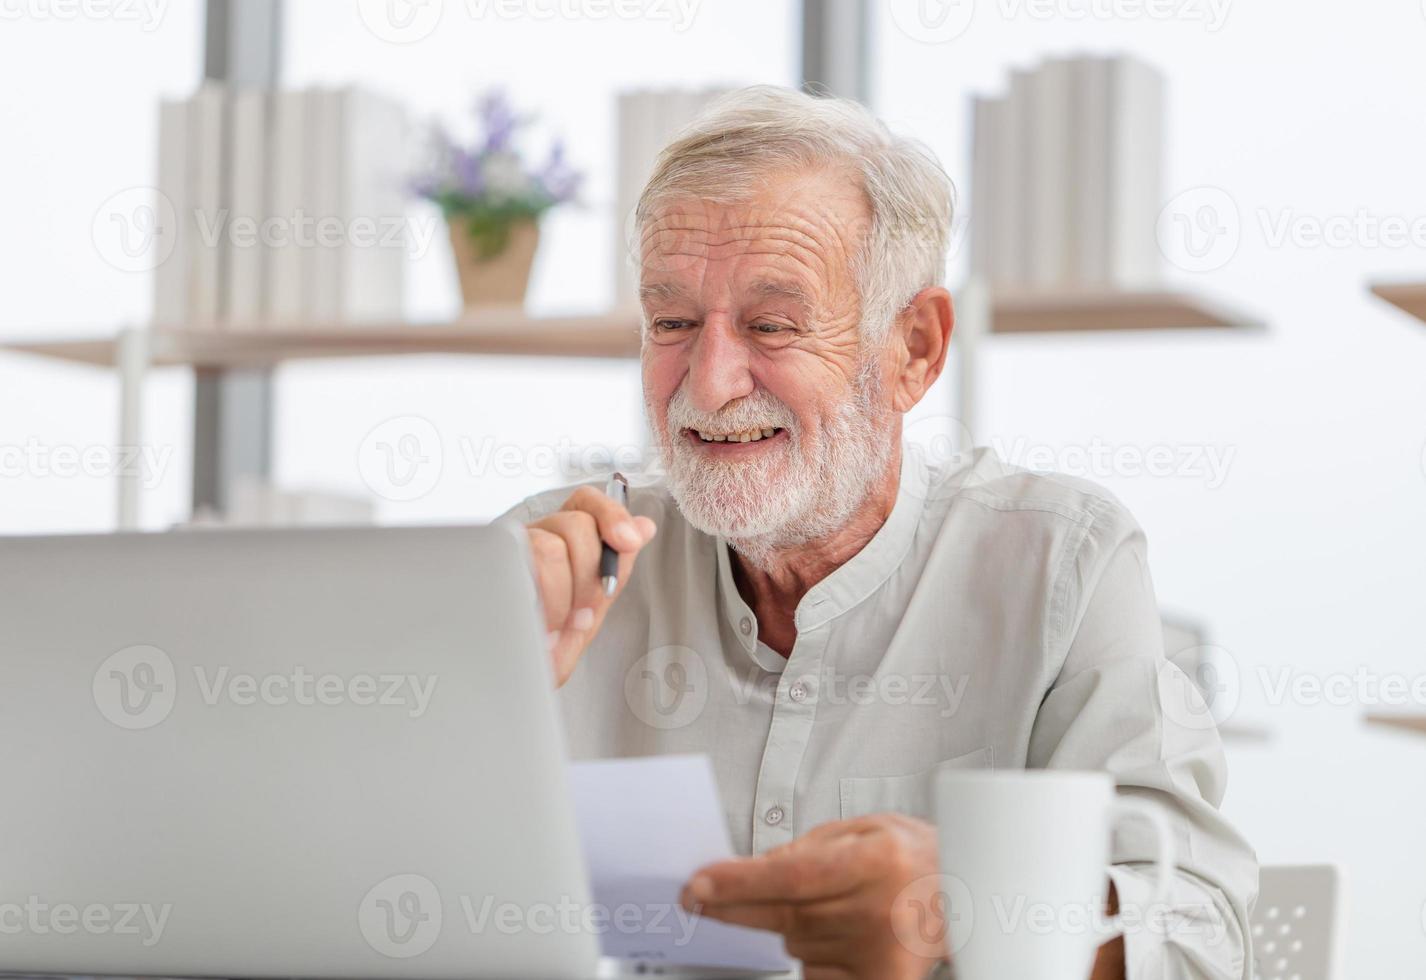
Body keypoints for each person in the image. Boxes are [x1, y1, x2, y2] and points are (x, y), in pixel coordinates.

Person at [500, 85, 1257, 980]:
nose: (707, 386)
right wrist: (476, 706)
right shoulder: (543, 568)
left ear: (915, 350)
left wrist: (964, 907)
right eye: (670, 322)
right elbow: (380, 905)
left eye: (771, 325)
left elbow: (1205, 938)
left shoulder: (1062, 562)